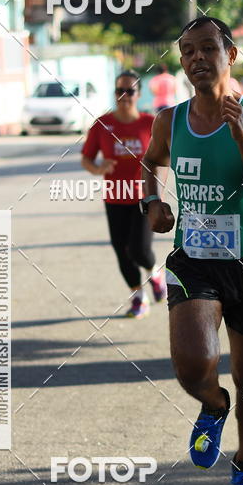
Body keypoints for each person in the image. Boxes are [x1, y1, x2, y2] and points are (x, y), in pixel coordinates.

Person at [141, 16, 243, 485]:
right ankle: (212, 403)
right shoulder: (170, 120)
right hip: (194, 261)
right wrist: (153, 203)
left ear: (231, 54)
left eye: (207, 48)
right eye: (187, 52)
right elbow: (151, 161)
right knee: (192, 365)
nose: (197, 59)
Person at [81, 70, 166, 318]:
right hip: (114, 196)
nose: (125, 96)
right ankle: (139, 298)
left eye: (130, 91)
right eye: (120, 90)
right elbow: (86, 158)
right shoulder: (102, 124)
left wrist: (157, 191)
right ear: (115, 93)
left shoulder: (150, 123)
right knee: (122, 251)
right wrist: (98, 168)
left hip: (144, 196)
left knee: (139, 250)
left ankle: (155, 274)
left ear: (139, 94)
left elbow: (164, 159)